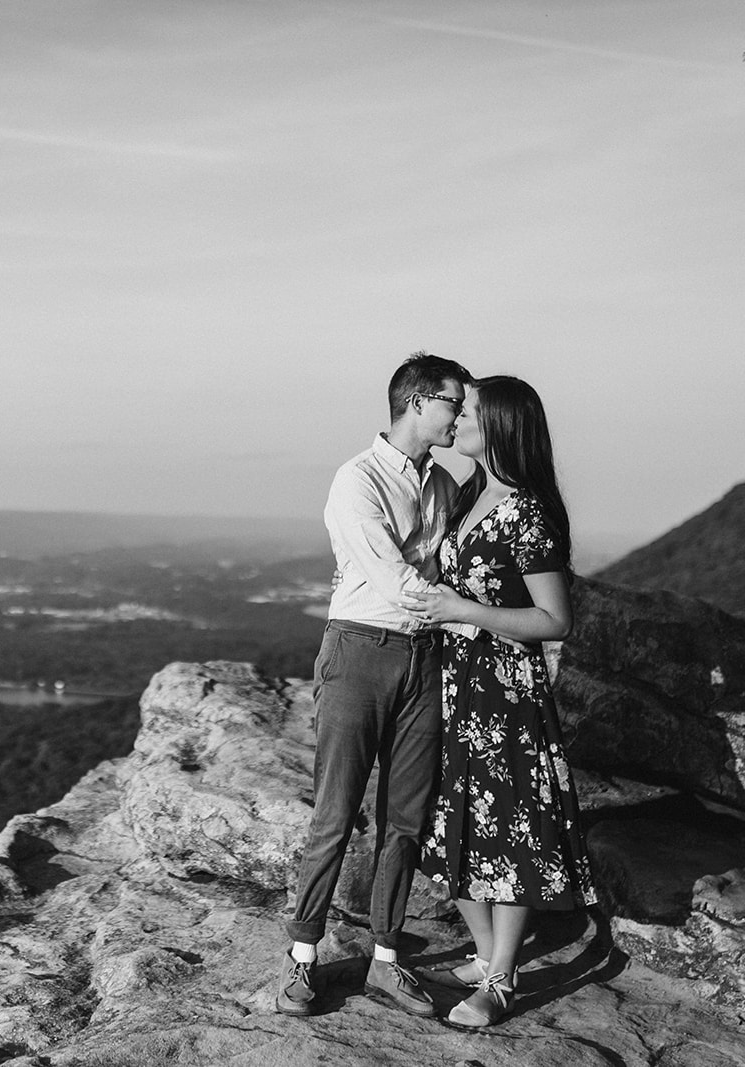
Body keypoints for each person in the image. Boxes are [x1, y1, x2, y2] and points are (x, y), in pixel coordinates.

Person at [276, 352, 471, 1018]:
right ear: (418, 401)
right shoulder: (355, 480)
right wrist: (477, 621)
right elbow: (398, 581)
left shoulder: (442, 484)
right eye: (454, 402)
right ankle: (302, 958)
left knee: (406, 819)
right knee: (335, 812)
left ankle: (387, 960)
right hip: (361, 650)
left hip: (424, 656)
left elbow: (452, 563)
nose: (461, 414)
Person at [412, 375, 598, 1028]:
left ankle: (501, 977)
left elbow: (554, 618)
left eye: (468, 410)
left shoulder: (526, 511)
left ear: (502, 425)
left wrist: (464, 607)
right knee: (453, 823)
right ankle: (489, 950)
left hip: (505, 692)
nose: (454, 417)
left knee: (510, 832)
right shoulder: (470, 497)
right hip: (457, 684)